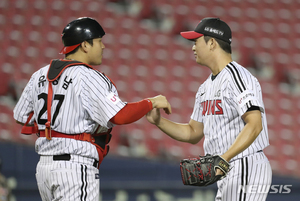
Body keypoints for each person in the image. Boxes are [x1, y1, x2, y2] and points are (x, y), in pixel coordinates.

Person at [13, 17, 171, 201]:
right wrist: (150, 102)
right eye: (99, 41)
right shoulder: (88, 76)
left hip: (44, 169)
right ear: (85, 45)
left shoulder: (39, 75)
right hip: (74, 167)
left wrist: (53, 125)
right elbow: (120, 115)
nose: (103, 47)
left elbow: (20, 116)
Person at [146, 17, 272, 201]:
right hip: (228, 170)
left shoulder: (237, 77)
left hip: (245, 166)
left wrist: (224, 158)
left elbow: (255, 124)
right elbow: (193, 132)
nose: (193, 47)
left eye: (196, 41)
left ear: (212, 42)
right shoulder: (205, 88)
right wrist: (159, 122)